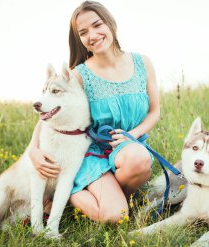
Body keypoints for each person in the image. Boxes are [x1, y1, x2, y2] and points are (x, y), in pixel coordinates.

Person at [29, 0, 160, 224]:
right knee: (116, 217)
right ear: (79, 39)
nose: (93, 35)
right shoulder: (79, 75)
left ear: (110, 23)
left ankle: (116, 196)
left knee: (138, 158)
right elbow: (50, 113)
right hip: (91, 154)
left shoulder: (143, 63)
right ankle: (70, 192)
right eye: (83, 32)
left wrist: (132, 135)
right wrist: (33, 150)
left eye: (97, 25)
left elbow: (154, 112)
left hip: (127, 148)